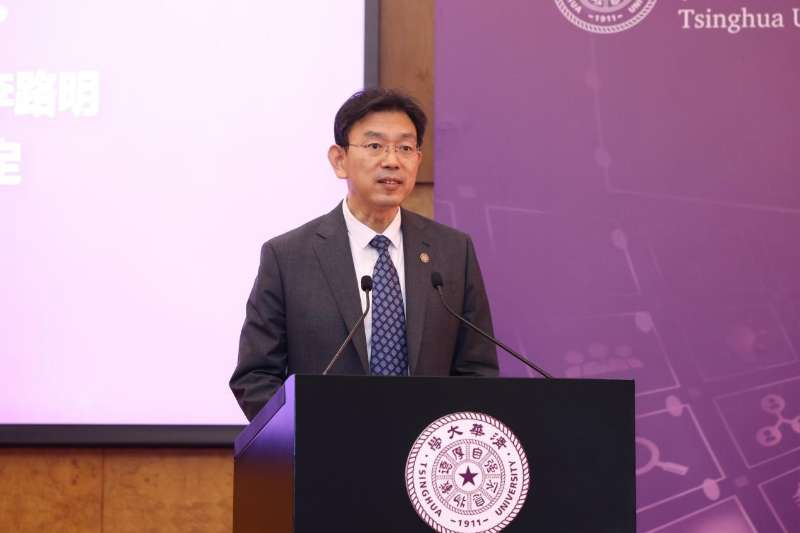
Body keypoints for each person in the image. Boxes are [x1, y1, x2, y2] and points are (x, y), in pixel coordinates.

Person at [230, 88, 498, 420]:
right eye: (375, 146)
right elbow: (256, 377)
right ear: (339, 160)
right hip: (328, 444)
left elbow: (477, 371)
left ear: (418, 159)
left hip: (426, 447)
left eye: (405, 148)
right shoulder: (287, 257)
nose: (392, 161)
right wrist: (307, 433)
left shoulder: (453, 252)